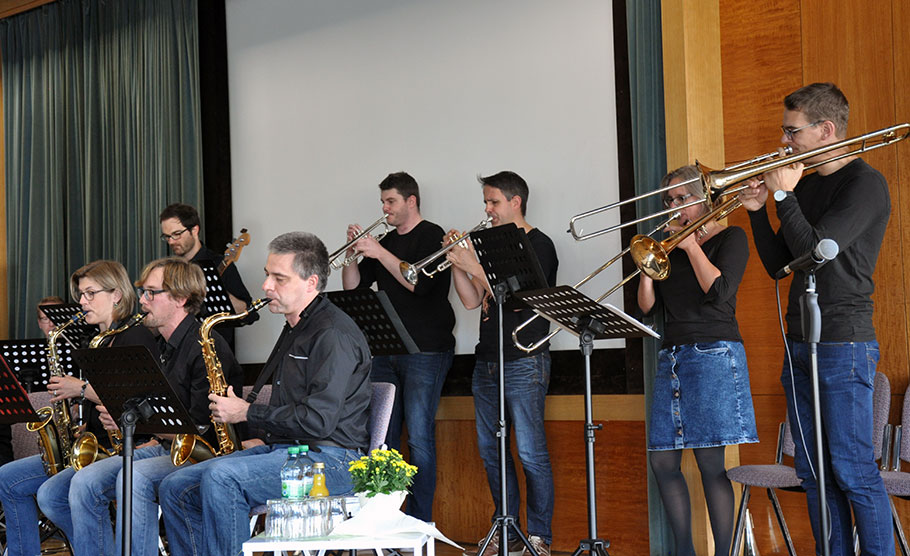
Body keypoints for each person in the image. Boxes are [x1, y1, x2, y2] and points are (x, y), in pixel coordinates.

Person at [740, 82, 893, 555]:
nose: (784, 142)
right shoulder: (803, 183)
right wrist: (758, 212)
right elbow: (780, 265)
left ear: (826, 130)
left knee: (852, 468)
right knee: (813, 472)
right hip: (801, 340)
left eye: (792, 132)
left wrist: (784, 200)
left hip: (843, 341)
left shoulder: (864, 184)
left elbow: (816, 252)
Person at [158, 231, 372, 556]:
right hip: (293, 450)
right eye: (267, 275)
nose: (266, 286)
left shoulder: (331, 335)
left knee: (222, 477)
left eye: (279, 278)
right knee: (176, 486)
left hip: (332, 460)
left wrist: (246, 413)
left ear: (311, 283)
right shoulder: (296, 326)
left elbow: (318, 421)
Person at [0, 261, 159, 556]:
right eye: (80, 295)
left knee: (55, 494)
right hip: (93, 445)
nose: (82, 302)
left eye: (90, 293)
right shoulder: (97, 341)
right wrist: (80, 424)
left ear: (117, 295)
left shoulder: (134, 337)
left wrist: (81, 389)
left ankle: (99, 547)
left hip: (129, 447)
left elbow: (139, 400)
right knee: (10, 480)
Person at [637, 166, 757, 556]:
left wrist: (691, 246)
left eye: (682, 199)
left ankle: (724, 552)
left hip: (713, 354)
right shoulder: (667, 248)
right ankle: (683, 551)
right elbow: (647, 309)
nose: (674, 208)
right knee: (663, 463)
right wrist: (648, 270)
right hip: (672, 356)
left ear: (703, 199)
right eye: (669, 201)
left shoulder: (731, 238)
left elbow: (719, 292)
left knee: (709, 463)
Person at [446, 171, 557, 556]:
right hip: (487, 360)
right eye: (485, 202)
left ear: (515, 202)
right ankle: (507, 529)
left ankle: (540, 537)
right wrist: (458, 264)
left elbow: (520, 298)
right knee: (492, 450)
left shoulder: (540, 245)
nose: (487, 210)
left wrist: (473, 263)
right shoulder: (488, 246)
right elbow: (472, 301)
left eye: (493, 202)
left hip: (525, 358)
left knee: (530, 451)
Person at [341, 171, 455, 521]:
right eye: (382, 202)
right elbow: (353, 289)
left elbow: (417, 284)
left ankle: (420, 522)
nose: (385, 208)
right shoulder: (386, 242)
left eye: (390, 201)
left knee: (419, 437)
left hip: (426, 350)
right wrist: (350, 255)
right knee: (381, 439)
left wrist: (377, 250)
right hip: (386, 349)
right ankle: (384, 518)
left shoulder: (433, 236)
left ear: (411, 201)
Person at [159, 203, 255, 349]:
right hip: (177, 350)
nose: (171, 241)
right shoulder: (169, 269)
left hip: (214, 352)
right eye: (167, 237)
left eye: (177, 234)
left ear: (195, 230)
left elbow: (250, 313)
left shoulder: (219, 263)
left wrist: (223, 294)